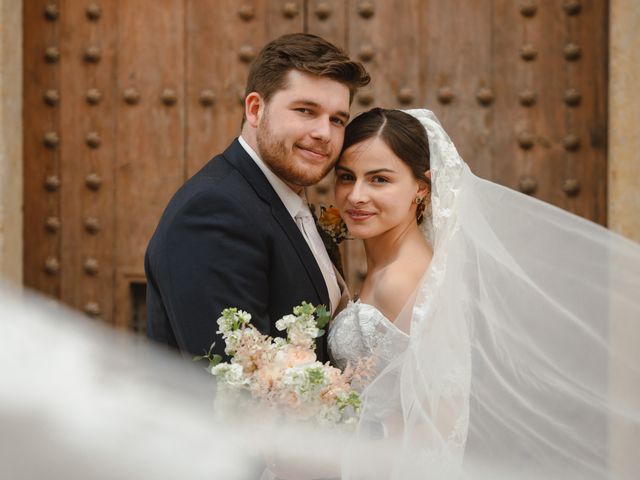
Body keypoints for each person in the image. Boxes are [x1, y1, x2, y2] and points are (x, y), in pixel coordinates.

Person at [323, 108, 640, 479]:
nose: (356, 195)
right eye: (346, 177)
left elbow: (436, 424)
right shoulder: (389, 266)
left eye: (379, 179)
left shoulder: (403, 280)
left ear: (421, 187)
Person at [145, 33, 370, 360]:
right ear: (255, 109)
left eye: (337, 119)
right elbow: (232, 385)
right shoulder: (213, 214)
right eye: (306, 110)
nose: (324, 133)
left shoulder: (281, 200)